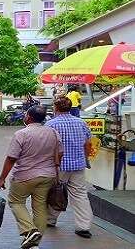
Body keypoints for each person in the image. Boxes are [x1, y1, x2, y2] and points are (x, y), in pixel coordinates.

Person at [0, 106, 62, 249]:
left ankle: (29, 231)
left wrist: (2, 178)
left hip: (24, 176)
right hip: (47, 176)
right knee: (39, 207)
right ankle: (34, 243)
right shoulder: (53, 132)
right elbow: (60, 154)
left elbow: (11, 158)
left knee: (16, 202)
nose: (25, 116)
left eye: (26, 114)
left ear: (29, 117)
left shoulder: (21, 134)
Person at [46, 96, 94, 239]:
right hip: (78, 164)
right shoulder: (81, 123)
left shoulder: (51, 124)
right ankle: (83, 226)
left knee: (54, 192)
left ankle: (50, 219)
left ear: (56, 108)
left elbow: (48, 146)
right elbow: (87, 143)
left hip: (58, 165)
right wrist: (85, 159)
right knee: (80, 195)